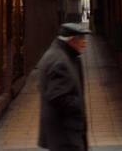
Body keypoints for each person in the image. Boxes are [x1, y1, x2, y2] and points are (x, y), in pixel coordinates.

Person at [37, 22, 91, 151]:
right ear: (71, 41)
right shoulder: (60, 62)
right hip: (65, 135)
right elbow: (57, 97)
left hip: (60, 133)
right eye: (81, 39)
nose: (84, 43)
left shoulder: (58, 54)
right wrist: (77, 104)